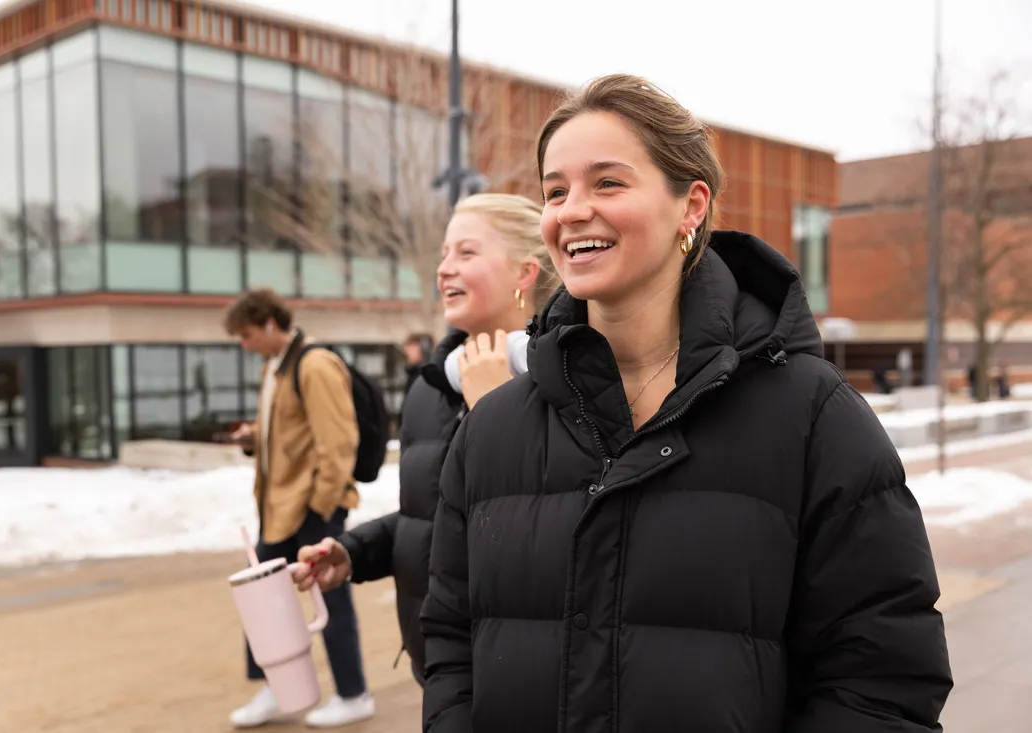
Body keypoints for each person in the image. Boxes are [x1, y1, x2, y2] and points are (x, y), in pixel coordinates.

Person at [421, 74, 953, 732]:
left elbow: (883, 676)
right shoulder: (494, 428)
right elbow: (448, 641)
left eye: (607, 183)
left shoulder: (813, 416)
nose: (571, 209)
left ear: (691, 205)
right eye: (555, 191)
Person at [291, 193, 558, 686]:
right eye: (443, 254)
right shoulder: (429, 389)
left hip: (524, 677)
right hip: (437, 667)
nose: (444, 269)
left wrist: (497, 416)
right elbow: (434, 518)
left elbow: (558, 536)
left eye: (467, 253)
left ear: (524, 274)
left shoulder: (567, 383)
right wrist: (354, 552)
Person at [223, 288, 374, 729]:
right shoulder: (276, 367)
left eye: (247, 334)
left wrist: (322, 504)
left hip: (311, 506)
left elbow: (339, 440)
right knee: (263, 602)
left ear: (270, 324)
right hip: (280, 506)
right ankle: (275, 688)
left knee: (330, 599)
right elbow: (294, 432)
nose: (244, 345)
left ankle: (353, 693)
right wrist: (256, 438)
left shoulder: (314, 364)